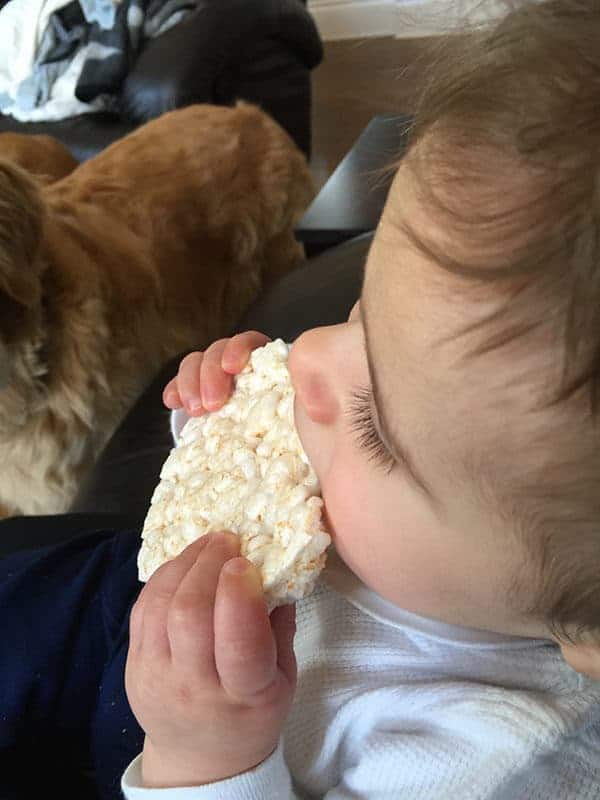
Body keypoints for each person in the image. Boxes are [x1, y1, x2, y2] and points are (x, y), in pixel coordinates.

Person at [2, 0, 600, 797]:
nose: (308, 355)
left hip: (169, 743)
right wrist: (212, 420)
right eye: (359, 315)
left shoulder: (490, 758)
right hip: (122, 592)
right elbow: (246, 483)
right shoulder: (434, 507)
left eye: (374, 426)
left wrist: (209, 760)